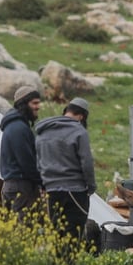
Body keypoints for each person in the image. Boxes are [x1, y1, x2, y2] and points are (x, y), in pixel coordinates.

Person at [35, 97, 99, 256]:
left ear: (66, 111)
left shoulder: (43, 131)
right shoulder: (79, 131)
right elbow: (86, 162)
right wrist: (90, 186)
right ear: (82, 116)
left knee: (56, 232)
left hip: (51, 190)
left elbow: (38, 161)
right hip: (75, 191)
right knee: (73, 234)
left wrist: (43, 185)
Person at [0, 85, 42, 224]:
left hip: (12, 186)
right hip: (21, 187)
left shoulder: (14, 125)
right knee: (24, 231)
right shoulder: (19, 128)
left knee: (13, 232)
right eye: (34, 103)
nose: (38, 107)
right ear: (24, 104)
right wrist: (42, 182)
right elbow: (27, 162)